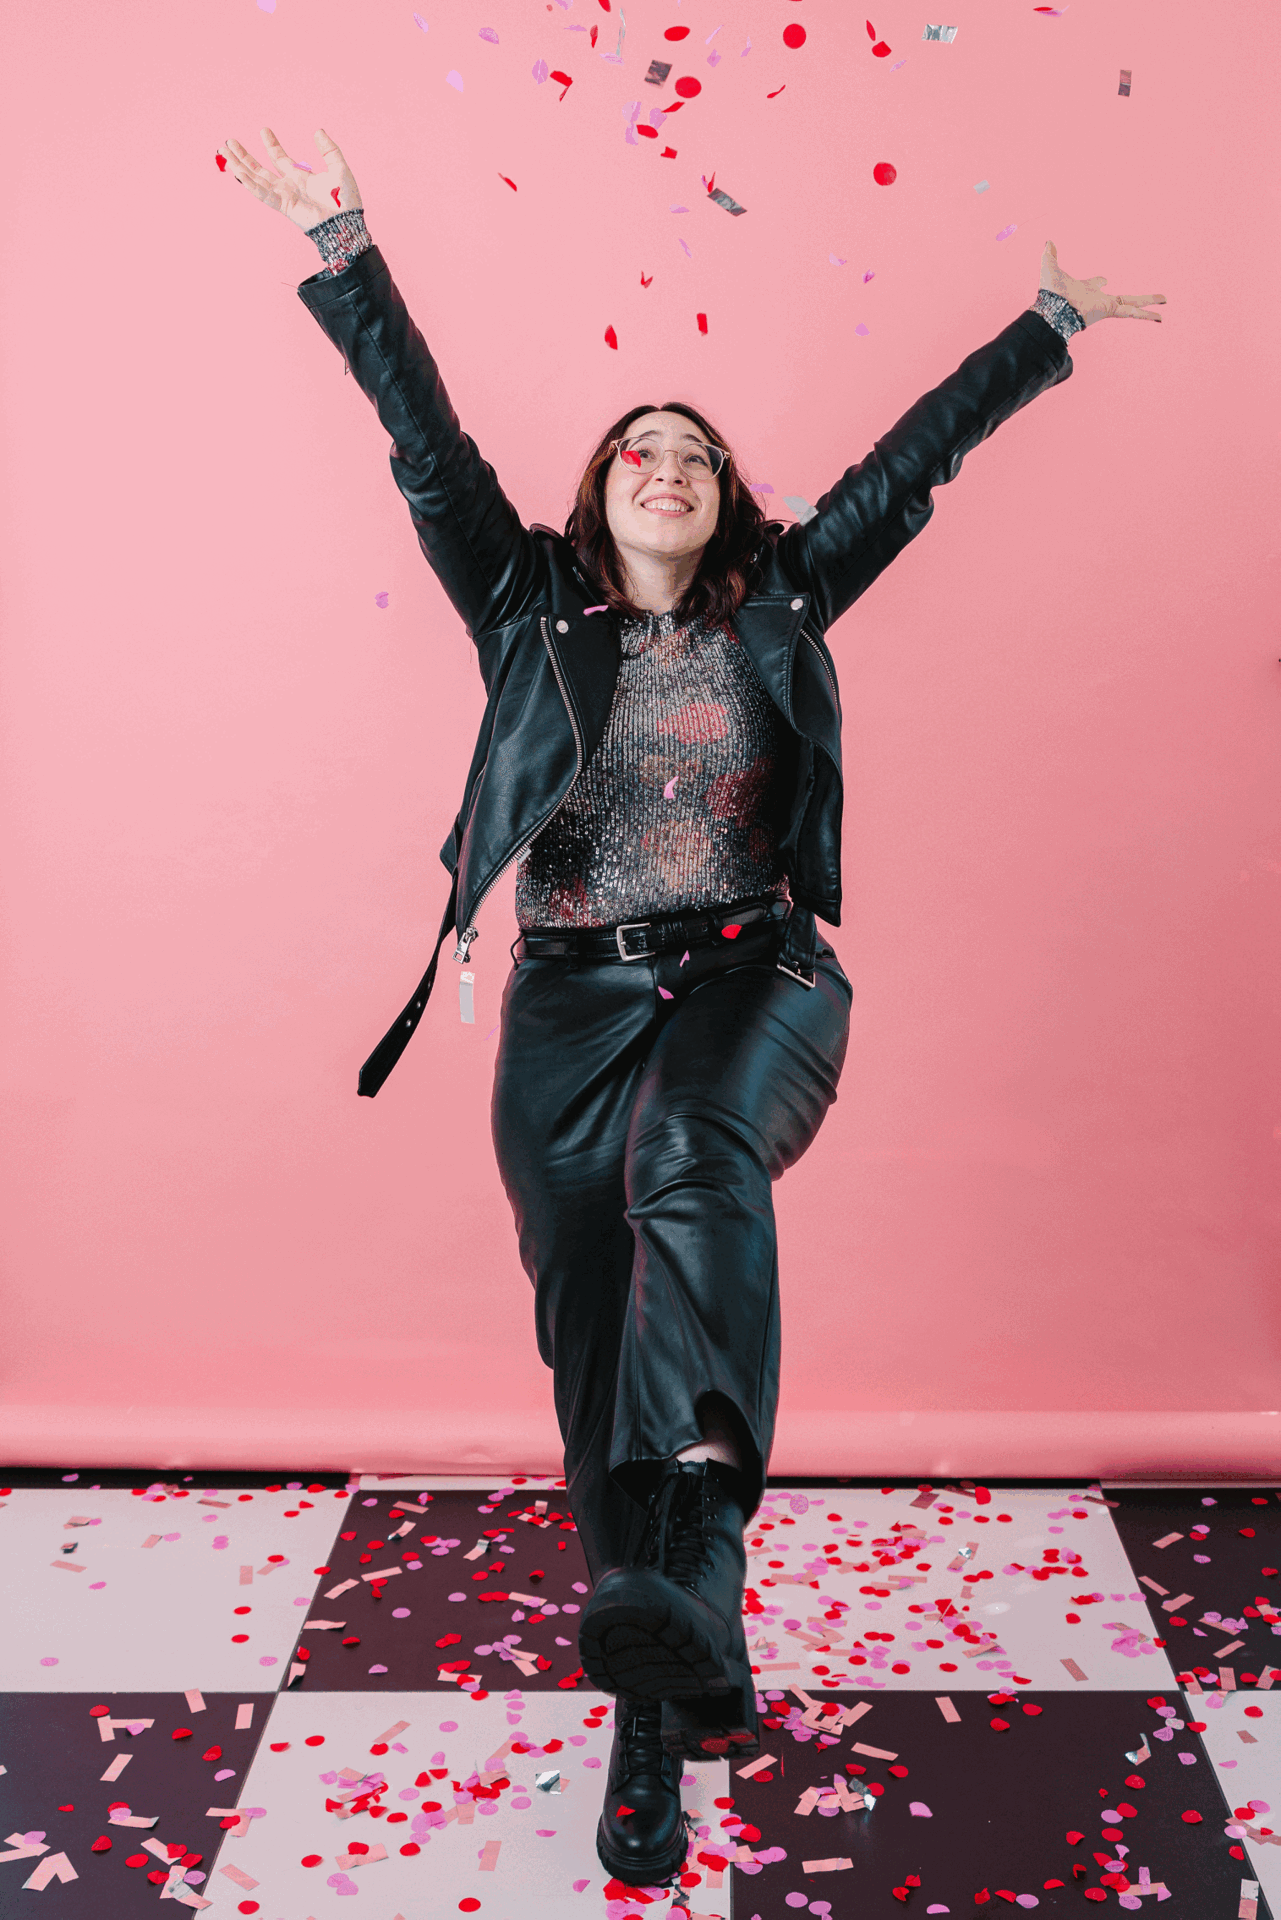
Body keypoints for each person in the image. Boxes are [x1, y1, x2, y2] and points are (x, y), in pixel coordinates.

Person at [219, 125, 1165, 1889]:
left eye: (698, 452)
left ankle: (699, 1545)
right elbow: (428, 449)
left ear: (729, 500)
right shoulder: (524, 606)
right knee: (597, 1355)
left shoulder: (789, 594)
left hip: (755, 974)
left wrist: (1044, 327)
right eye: (638, 447)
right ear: (600, 493)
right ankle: (660, 1706)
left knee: (690, 1163)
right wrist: (346, 246)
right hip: (566, 1004)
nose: (667, 461)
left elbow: (912, 460)